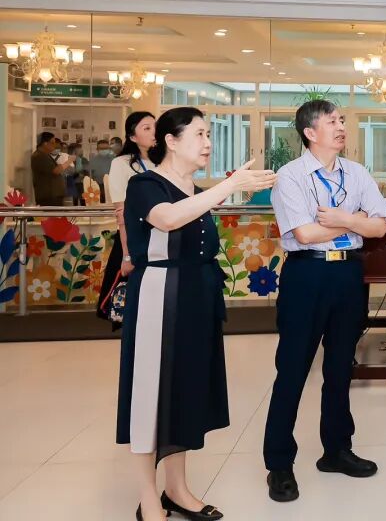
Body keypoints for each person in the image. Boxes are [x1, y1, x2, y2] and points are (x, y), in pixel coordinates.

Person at [116, 107, 276, 521]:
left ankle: (177, 490)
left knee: (184, 392)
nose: (208, 143)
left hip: (194, 298)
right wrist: (230, 186)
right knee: (150, 395)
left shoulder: (194, 188)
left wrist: (225, 188)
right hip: (158, 298)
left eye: (208, 135)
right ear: (171, 141)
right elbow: (168, 219)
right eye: (200, 134)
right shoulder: (145, 184)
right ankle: (148, 498)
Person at [264, 100, 386, 503]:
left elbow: (380, 225)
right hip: (307, 274)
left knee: (340, 368)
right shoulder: (291, 176)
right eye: (332, 121)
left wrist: (343, 220)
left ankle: (336, 450)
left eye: (341, 120)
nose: (341, 127)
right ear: (310, 132)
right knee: (293, 369)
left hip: (347, 274)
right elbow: (303, 234)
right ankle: (279, 464)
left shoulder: (356, 172)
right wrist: (356, 223)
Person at [105, 113, 157, 290]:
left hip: (162, 240)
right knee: (129, 296)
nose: (154, 132)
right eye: (147, 128)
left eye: (155, 126)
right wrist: (127, 256)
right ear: (133, 137)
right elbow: (122, 213)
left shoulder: (165, 161)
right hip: (135, 240)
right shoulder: (121, 163)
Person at [31, 131, 74, 205]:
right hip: (49, 196)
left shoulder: (45, 155)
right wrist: (69, 161)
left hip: (53, 195)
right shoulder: (39, 156)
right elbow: (56, 170)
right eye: (52, 143)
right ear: (45, 143)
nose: (54, 145)